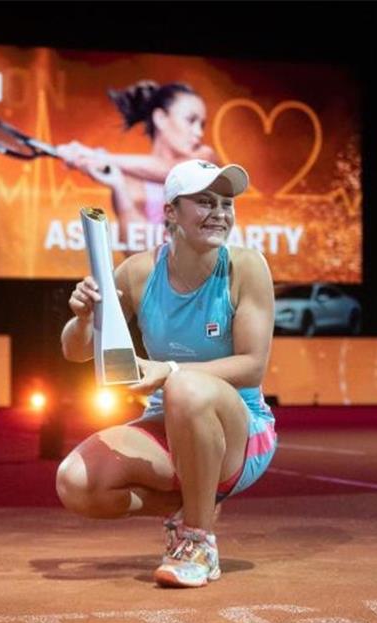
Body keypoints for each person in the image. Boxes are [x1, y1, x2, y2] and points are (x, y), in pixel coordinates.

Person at [55, 159, 278, 588]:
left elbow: (253, 366)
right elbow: (75, 352)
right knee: (77, 482)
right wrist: (83, 318)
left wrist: (170, 371)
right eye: (204, 202)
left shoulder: (246, 268)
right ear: (171, 212)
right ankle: (191, 504)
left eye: (226, 203)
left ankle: (197, 541)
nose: (219, 212)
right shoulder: (138, 273)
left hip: (241, 434)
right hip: (169, 422)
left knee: (186, 387)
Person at [56, 81, 219, 249]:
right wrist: (118, 187)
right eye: (191, 120)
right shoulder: (130, 179)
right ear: (160, 119)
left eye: (202, 124)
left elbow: (176, 172)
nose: (199, 132)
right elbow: (135, 251)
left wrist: (97, 157)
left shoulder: (206, 159)